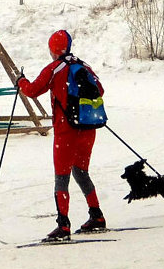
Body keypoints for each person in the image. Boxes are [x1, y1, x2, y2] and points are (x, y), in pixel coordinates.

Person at [17, 30, 106, 240]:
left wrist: (20, 81)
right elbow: (100, 90)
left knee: (61, 178)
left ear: (52, 50)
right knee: (81, 172)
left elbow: (31, 90)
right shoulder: (84, 66)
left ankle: (63, 225)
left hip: (66, 131)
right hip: (87, 127)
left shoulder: (54, 69)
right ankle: (96, 215)